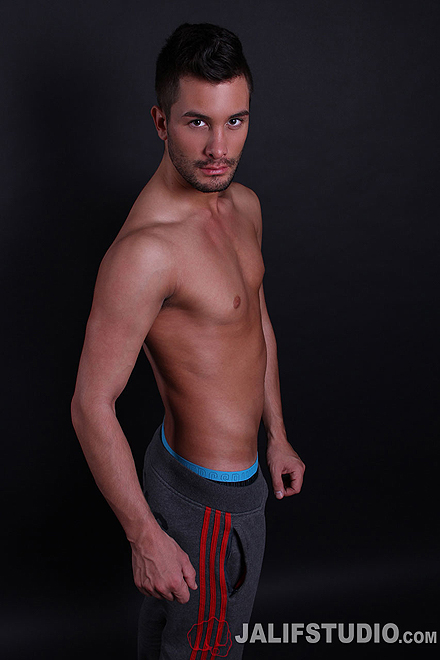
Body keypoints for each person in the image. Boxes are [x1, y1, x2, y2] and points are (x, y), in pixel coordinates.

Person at [71, 22, 305, 660]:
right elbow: (90, 403)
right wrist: (143, 534)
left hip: (237, 479)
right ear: (160, 121)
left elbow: (254, 323)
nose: (219, 148)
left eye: (235, 122)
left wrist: (276, 433)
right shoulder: (145, 253)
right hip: (206, 503)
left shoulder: (244, 205)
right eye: (197, 122)